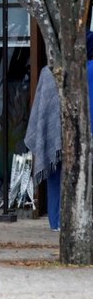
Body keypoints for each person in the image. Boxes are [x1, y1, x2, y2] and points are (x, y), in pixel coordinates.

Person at [24, 30, 93, 231]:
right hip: (88, 138)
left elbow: (43, 113)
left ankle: (57, 221)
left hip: (58, 140)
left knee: (57, 175)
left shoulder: (51, 71)